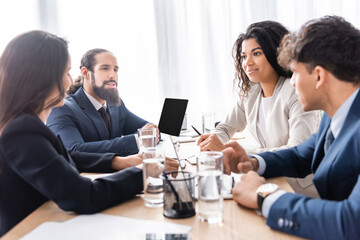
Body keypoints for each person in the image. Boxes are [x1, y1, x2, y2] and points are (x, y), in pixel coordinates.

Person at [0, 31, 178, 237]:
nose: (69, 81)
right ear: (42, 77)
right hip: (31, 231)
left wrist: (118, 162)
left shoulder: (24, 125)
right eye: (66, 72)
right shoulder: (22, 132)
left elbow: (64, 158)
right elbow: (83, 195)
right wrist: (144, 172)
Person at [223, 16, 360, 239]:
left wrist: (264, 196)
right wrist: (252, 162)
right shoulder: (335, 113)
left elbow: (351, 220)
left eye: (295, 72)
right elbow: (300, 155)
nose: (292, 81)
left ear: (318, 76)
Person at [197, 21, 319, 197]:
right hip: (271, 179)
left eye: (256, 53)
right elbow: (226, 127)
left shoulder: (296, 92)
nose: (247, 63)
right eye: (243, 56)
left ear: (277, 53)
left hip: (297, 187)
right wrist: (215, 140)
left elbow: (297, 149)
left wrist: (241, 155)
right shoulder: (251, 92)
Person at [47, 48, 159, 156]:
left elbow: (150, 130)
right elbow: (74, 150)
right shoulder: (61, 108)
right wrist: (137, 140)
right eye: (105, 68)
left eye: (115, 69)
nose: (113, 75)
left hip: (119, 172)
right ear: (85, 73)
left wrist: (149, 133)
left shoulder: (116, 105)